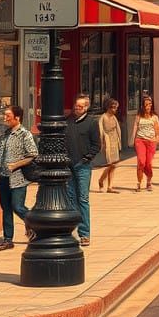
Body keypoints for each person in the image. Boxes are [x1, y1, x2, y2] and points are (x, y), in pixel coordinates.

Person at [0, 104, 36, 251]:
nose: (5, 118)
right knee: (6, 208)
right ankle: (7, 239)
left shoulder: (25, 134)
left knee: (17, 206)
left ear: (17, 118)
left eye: (8, 116)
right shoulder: (4, 134)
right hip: (3, 177)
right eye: (5, 115)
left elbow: (32, 154)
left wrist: (15, 164)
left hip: (18, 178)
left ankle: (36, 223)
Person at [65, 94, 100, 247]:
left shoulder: (91, 123)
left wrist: (87, 158)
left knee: (83, 199)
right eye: (76, 106)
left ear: (86, 107)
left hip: (82, 166)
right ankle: (72, 231)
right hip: (69, 165)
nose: (76, 109)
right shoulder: (68, 121)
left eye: (80, 106)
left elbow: (96, 144)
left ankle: (84, 233)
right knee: (71, 200)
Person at [131, 95, 159, 192]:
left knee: (148, 163)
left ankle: (149, 181)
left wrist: (157, 139)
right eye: (146, 104)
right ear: (143, 106)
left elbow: (157, 130)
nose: (148, 106)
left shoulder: (154, 117)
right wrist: (132, 139)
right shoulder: (139, 116)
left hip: (151, 141)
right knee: (141, 161)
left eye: (150, 104)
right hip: (140, 140)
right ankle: (139, 183)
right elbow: (135, 128)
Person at [97, 98, 122, 193]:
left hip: (114, 140)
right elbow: (100, 131)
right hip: (107, 141)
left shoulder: (114, 118)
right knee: (109, 163)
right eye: (114, 107)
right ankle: (101, 179)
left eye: (116, 108)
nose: (115, 109)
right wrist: (101, 143)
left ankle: (110, 186)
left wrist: (119, 143)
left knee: (114, 164)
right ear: (109, 107)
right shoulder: (103, 117)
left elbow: (118, 130)